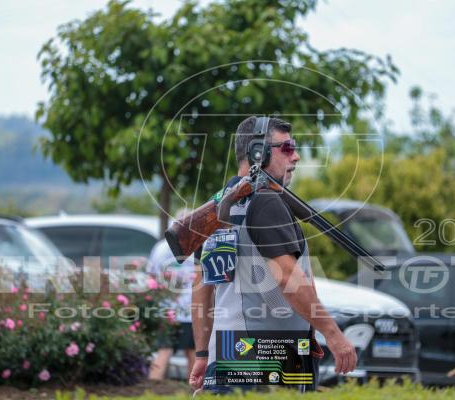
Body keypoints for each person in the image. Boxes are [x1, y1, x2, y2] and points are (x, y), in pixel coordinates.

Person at [189, 116, 356, 393]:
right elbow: (289, 278)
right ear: (258, 153)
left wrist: (203, 354)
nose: (296, 156)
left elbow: (201, 290)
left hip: (227, 357)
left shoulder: (213, 209)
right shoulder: (266, 202)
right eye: (287, 148)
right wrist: (334, 334)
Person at [147, 209, 196, 381]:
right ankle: (196, 390)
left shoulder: (161, 247)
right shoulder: (197, 245)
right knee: (194, 353)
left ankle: (152, 389)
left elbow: (151, 276)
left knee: (164, 350)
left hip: (167, 310)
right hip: (191, 310)